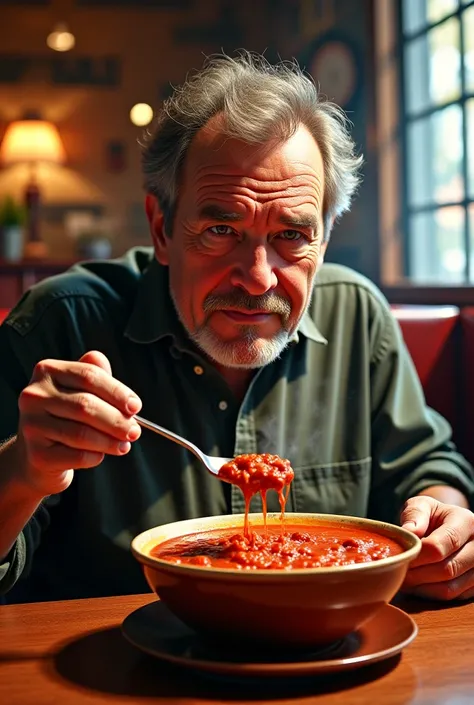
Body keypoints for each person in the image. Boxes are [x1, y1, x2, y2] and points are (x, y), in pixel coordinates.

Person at [1, 52, 474, 604]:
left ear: (324, 237)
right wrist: (23, 470)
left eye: (292, 236)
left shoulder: (356, 316)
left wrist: (446, 518)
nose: (256, 278)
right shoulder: (62, 322)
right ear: (162, 229)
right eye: (222, 229)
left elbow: (423, 465)